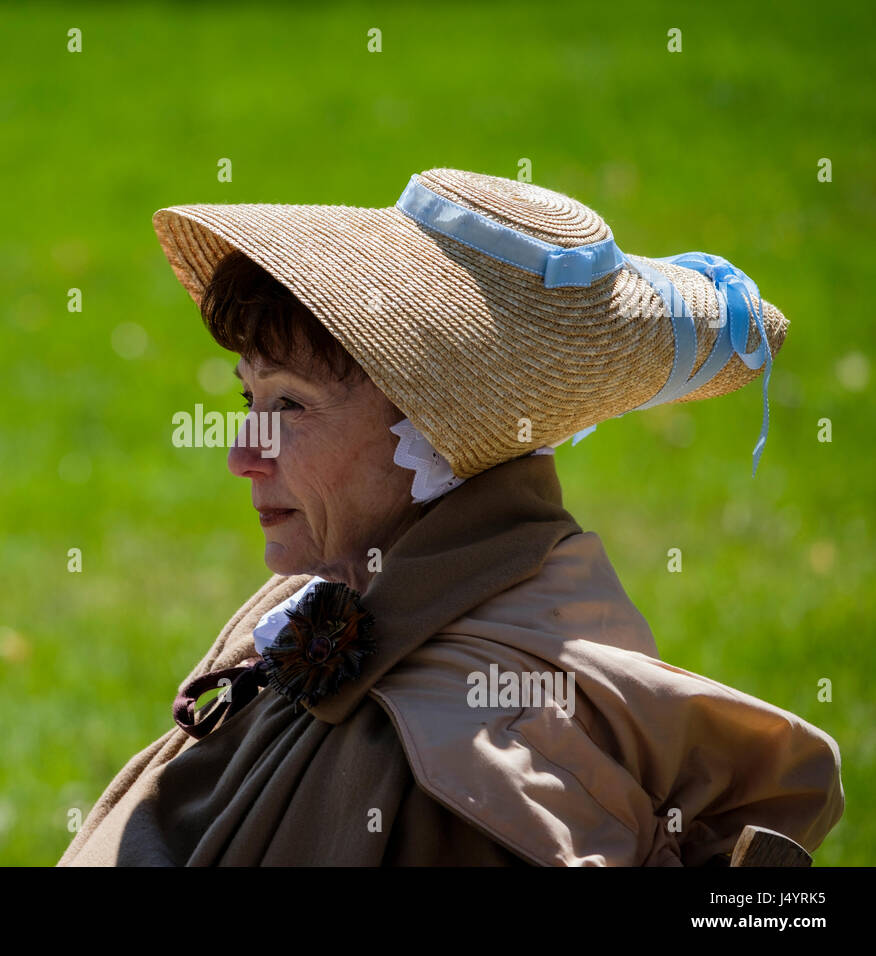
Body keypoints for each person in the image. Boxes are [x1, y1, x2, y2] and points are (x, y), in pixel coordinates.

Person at [57, 167, 844, 866]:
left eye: (289, 405)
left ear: (438, 430)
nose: (242, 454)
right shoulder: (343, 591)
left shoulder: (465, 755)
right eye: (247, 398)